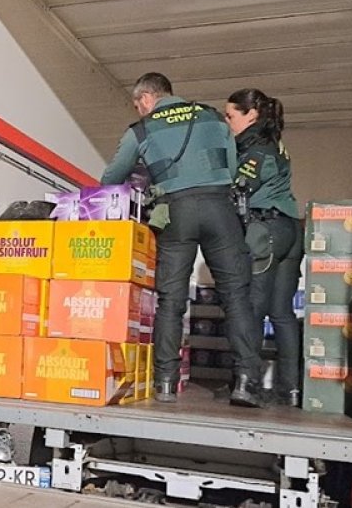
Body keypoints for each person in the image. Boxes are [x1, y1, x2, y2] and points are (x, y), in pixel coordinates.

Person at [102, 73, 263, 407]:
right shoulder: (212, 116)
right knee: (235, 296)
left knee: (171, 301)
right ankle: (245, 382)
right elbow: (232, 168)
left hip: (176, 213)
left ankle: (164, 382)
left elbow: (111, 178)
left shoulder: (142, 129)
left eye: (137, 105)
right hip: (220, 209)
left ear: (146, 98)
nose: (139, 110)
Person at [225, 88, 304, 407]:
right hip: (290, 230)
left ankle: (248, 384)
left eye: (230, 115)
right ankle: (291, 388)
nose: (227, 122)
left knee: (252, 308)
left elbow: (239, 191)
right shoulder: (277, 144)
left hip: (265, 230)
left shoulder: (256, 149)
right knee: (282, 313)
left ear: (251, 115)